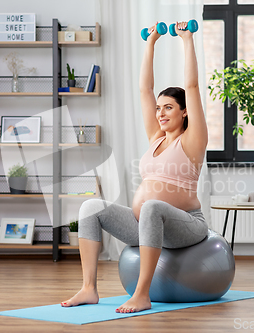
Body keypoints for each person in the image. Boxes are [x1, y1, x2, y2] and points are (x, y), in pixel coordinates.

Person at [61, 21, 209, 313]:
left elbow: (191, 86)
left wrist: (187, 40)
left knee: (153, 205)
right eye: (159, 108)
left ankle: (142, 294)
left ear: (185, 111)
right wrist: (150, 43)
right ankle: (89, 288)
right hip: (146, 226)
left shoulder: (193, 141)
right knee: (90, 208)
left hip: (187, 225)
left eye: (168, 107)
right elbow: (145, 89)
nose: (161, 112)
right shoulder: (156, 137)